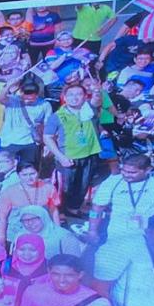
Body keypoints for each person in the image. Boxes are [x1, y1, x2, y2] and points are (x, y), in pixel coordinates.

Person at [88, 139, 154, 244]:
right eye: (124, 171)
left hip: (152, 237)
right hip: (118, 236)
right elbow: (97, 208)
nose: (126, 175)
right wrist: (92, 231)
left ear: (147, 170)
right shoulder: (113, 181)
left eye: (132, 172)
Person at [43, 84, 101, 217]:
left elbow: (97, 100)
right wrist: (60, 157)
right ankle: (59, 213)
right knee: (65, 188)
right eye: (70, 95)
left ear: (85, 97)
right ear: (64, 97)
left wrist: (97, 91)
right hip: (68, 157)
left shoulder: (89, 110)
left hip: (90, 154)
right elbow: (47, 137)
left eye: (79, 94)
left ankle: (73, 210)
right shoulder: (58, 116)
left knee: (83, 185)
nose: (74, 98)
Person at [18, 254, 117, 306]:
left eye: (69, 275)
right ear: (48, 272)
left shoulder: (99, 304)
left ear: (80, 275)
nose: (61, 280)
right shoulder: (33, 292)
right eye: (56, 274)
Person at [0, 161, 60, 244]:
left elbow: (54, 211)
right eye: (24, 175)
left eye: (32, 174)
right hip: (17, 234)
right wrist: (2, 238)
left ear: (38, 172)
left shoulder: (48, 188)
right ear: (18, 175)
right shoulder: (8, 192)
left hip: (44, 233)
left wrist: (58, 232)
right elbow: (2, 218)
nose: (29, 178)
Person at [15, 205, 81, 259]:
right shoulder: (20, 236)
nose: (30, 223)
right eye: (25, 220)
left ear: (44, 217)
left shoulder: (64, 236)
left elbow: (73, 260)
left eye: (34, 219)